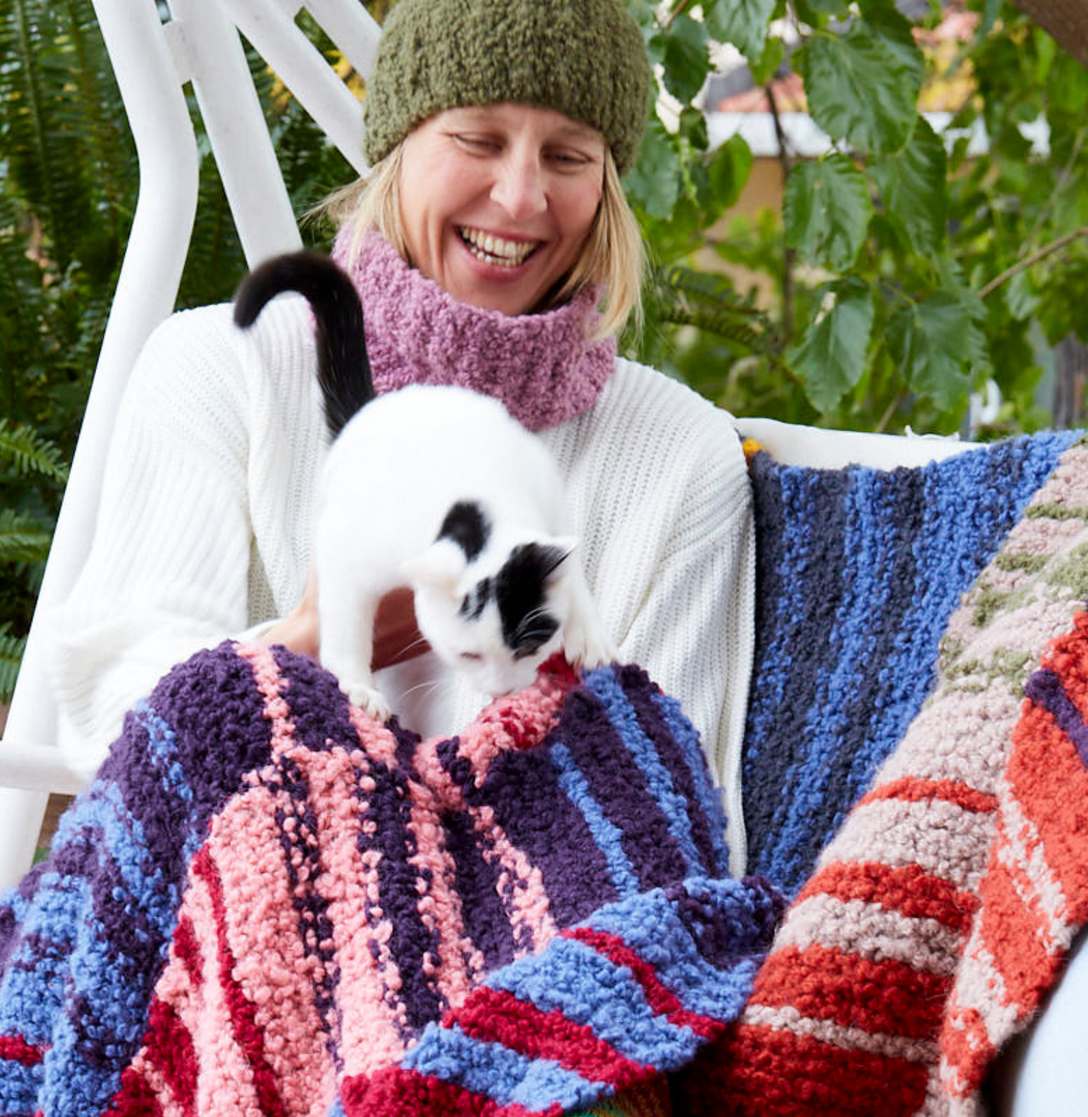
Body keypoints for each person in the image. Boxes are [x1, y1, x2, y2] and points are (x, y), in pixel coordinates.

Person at [40, 0, 755, 880]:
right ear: (398, 145)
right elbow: (110, 721)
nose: (523, 196)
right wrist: (314, 644)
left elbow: (671, 832)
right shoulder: (224, 368)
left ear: (608, 182)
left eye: (568, 156)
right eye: (480, 140)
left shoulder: (678, 457)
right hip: (221, 946)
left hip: (525, 981)